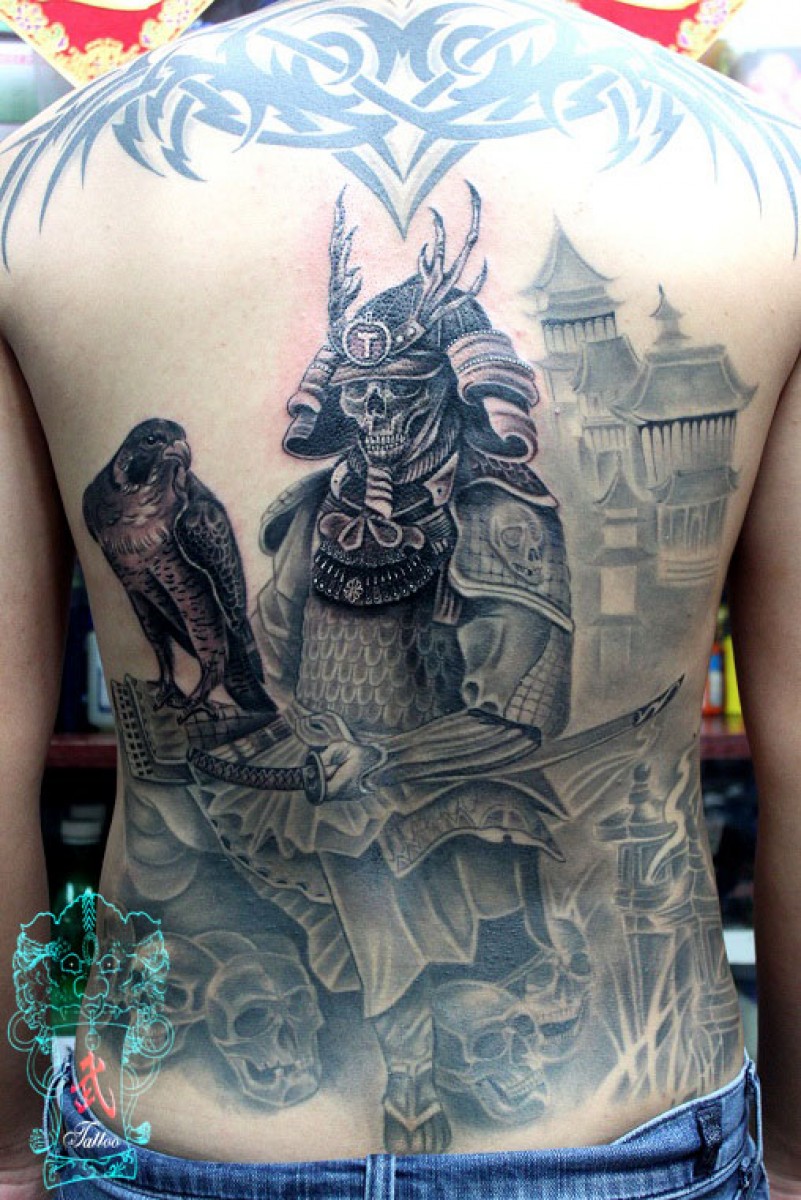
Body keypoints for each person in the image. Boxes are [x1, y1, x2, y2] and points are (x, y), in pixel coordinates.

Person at [0, 0, 799, 1197]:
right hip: (222, 1095)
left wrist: (11, 1151)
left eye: (399, 393)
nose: (373, 416)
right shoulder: (768, 183)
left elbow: (518, 716)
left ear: (452, 393)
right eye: (359, 397)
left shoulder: (37, 193)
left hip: (500, 914)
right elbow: (264, 673)